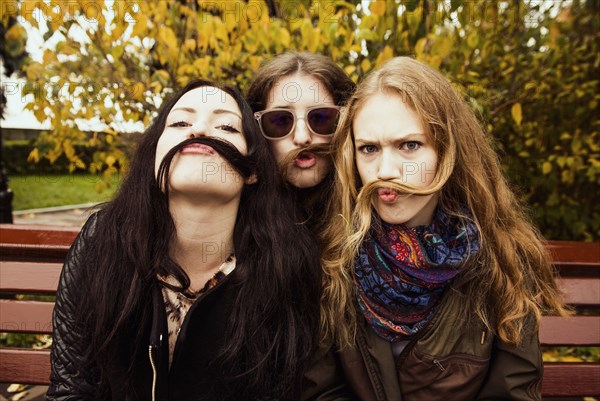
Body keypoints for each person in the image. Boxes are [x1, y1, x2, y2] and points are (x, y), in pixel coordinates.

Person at [46, 79, 327, 401]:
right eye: (180, 122)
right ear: (154, 157)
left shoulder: (284, 264)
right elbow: (72, 390)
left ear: (253, 171)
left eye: (226, 126)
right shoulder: (102, 243)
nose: (199, 130)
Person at [323, 57, 569, 401]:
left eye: (409, 145)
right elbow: (322, 390)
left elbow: (513, 392)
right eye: (369, 149)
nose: (385, 170)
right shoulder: (334, 259)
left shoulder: (501, 257)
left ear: (448, 150)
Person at [246, 52, 356, 348]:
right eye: (281, 121)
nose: (303, 137)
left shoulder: (376, 218)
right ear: (257, 130)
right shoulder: (235, 227)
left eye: (321, 118)